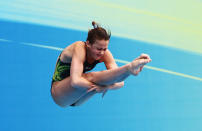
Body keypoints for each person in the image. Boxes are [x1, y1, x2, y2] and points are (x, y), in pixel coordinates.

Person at [51, 21, 152, 107]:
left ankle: (129, 69)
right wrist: (99, 87)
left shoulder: (104, 53)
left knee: (105, 78)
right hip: (60, 94)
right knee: (90, 77)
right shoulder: (79, 47)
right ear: (88, 44)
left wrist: (105, 87)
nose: (102, 53)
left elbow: (120, 82)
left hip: (79, 98)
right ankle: (128, 68)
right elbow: (75, 81)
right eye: (99, 49)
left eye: (105, 49)